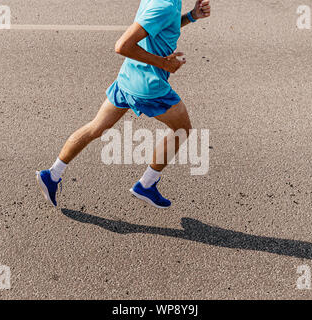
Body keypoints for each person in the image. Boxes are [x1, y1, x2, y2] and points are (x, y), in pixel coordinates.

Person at [36, 0, 211, 208]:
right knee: (182, 129)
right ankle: (146, 184)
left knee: (95, 128)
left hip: (126, 79)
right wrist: (165, 64)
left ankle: (52, 175)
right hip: (148, 87)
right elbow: (122, 46)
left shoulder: (167, 2)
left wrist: (191, 16)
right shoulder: (163, 5)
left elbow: (160, 26)